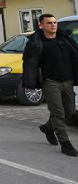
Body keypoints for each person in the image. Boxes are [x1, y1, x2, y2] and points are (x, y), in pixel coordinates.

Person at [22, 14, 78, 157]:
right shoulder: (35, 43)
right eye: (49, 23)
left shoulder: (65, 39)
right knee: (58, 112)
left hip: (68, 80)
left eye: (54, 22)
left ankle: (48, 128)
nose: (53, 25)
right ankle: (65, 144)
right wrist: (30, 83)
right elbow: (29, 64)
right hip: (50, 81)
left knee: (69, 112)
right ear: (41, 25)